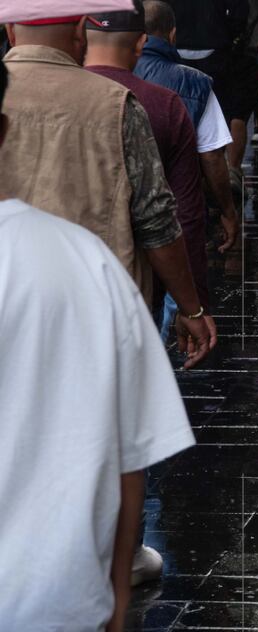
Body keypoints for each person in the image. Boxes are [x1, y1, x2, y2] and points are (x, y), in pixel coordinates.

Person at [0, 60, 196, 632]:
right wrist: (112, 607)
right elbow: (127, 462)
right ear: (3, 129)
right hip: (49, 619)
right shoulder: (85, 262)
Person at [0, 16, 216, 370]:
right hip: (98, 310)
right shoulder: (117, 105)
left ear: (10, 32)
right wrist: (191, 307)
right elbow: (157, 218)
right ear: (78, 32)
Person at [84, 0, 214, 317]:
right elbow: (183, 216)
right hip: (135, 285)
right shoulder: (165, 105)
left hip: (59, 279)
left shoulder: (52, 97)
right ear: (142, 42)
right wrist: (192, 305)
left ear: (82, 36)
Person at [137, 0, 240, 260]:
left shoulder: (108, 77)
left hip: (123, 213)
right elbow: (212, 157)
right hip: (179, 215)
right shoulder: (196, 84)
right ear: (172, 35)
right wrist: (228, 211)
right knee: (184, 293)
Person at [167, 0, 250, 179]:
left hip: (177, 48)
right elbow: (240, 14)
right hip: (216, 50)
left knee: (176, 111)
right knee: (226, 111)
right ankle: (230, 171)